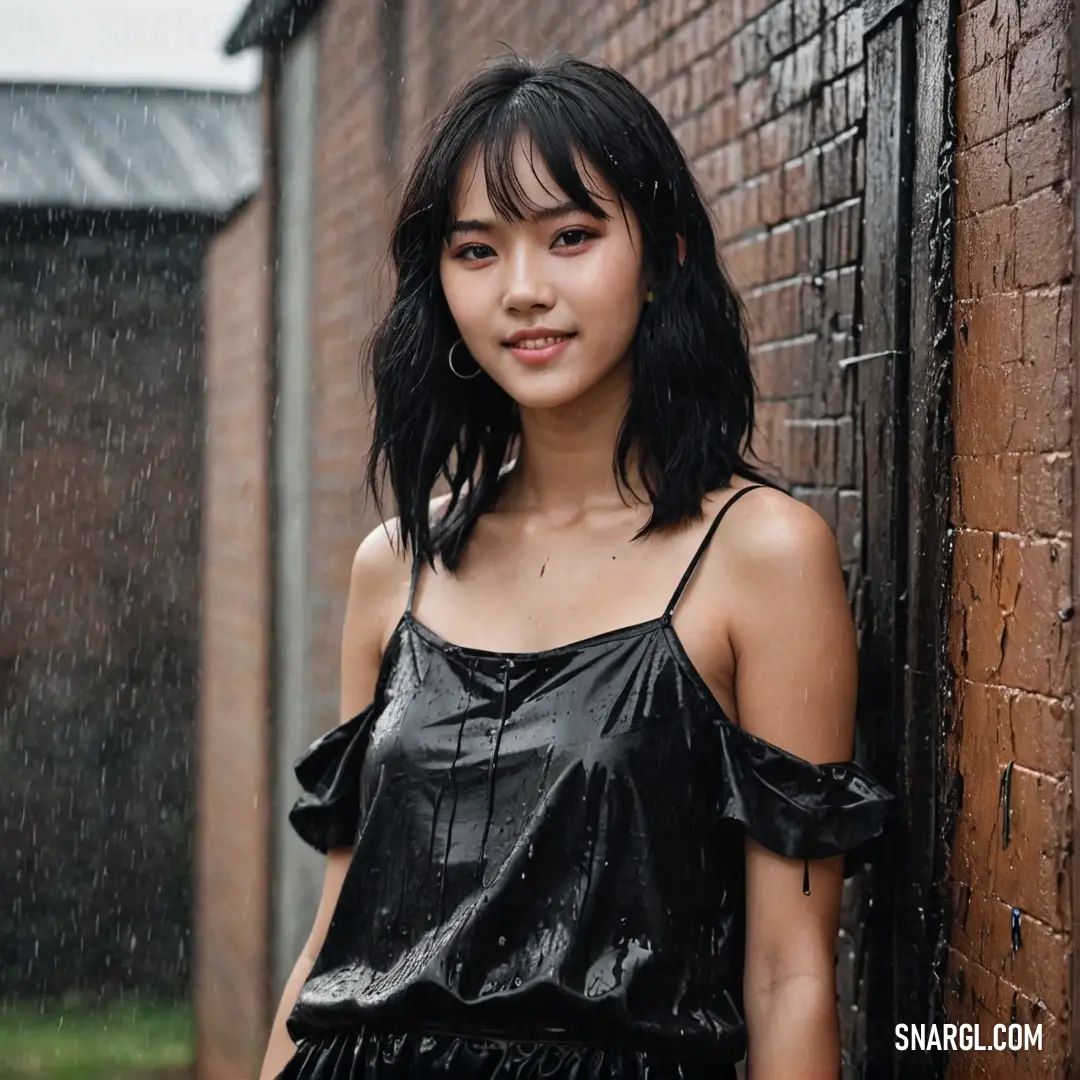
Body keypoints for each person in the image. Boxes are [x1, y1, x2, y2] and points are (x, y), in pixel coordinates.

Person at [259, 53, 892, 1080]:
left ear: (663, 258)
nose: (523, 291)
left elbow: (790, 978)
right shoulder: (398, 566)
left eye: (571, 237)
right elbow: (337, 940)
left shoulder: (761, 557)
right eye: (477, 250)